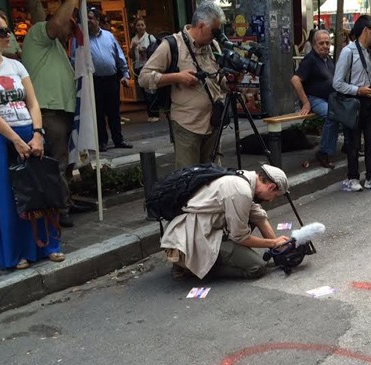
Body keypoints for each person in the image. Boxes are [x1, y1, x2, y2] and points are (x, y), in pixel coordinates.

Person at [0, 7, 65, 270]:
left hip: (28, 132)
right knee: (6, 196)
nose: (9, 35)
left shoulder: (16, 65)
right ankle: (15, 253)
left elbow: (33, 102)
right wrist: (14, 140)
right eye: (3, 31)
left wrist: (37, 134)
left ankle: (47, 245)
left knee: (40, 189)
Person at [161, 166, 290, 280]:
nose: (272, 200)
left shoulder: (244, 177)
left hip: (188, 234)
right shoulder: (241, 191)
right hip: (188, 242)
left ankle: (188, 263)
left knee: (248, 218)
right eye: (275, 195)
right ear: (271, 186)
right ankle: (191, 269)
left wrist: (278, 249)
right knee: (257, 267)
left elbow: (258, 216)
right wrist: (274, 242)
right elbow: (240, 237)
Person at [139, 2, 227, 169]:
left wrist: (230, 81)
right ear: (201, 26)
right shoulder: (172, 45)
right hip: (187, 126)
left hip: (213, 122)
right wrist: (178, 77)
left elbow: (218, 80)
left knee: (214, 177)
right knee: (188, 178)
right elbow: (143, 78)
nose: (215, 36)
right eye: (213, 31)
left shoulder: (213, 46)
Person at [21, 0, 78, 228]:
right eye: (69, 25)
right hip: (49, 111)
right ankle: (60, 208)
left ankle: (65, 201)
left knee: (65, 161)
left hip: (62, 111)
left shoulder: (55, 48)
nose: (70, 30)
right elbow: (57, 24)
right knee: (58, 162)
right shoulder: (38, 34)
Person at [333, 15, 371, 192]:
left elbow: (369, 74)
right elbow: (337, 83)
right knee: (353, 144)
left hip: (370, 101)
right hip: (353, 102)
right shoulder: (348, 52)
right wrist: (358, 90)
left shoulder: (370, 50)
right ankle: (353, 177)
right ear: (365, 30)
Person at [84, 7, 132, 152]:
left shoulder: (109, 36)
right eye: (86, 18)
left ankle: (118, 139)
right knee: (98, 112)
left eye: (90, 18)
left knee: (114, 111)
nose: (88, 21)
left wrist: (125, 74)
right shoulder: (82, 40)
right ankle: (102, 141)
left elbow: (119, 56)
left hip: (111, 79)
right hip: (94, 80)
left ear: (97, 20)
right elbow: (75, 60)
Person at [290, 29, 338, 169]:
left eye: (327, 43)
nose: (325, 46)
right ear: (314, 44)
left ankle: (347, 147)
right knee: (331, 114)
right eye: (321, 43)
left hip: (329, 98)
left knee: (347, 111)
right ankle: (324, 152)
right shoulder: (310, 59)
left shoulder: (328, 59)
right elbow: (295, 79)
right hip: (314, 98)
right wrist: (305, 102)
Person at [130, 18, 159, 123]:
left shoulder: (150, 38)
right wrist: (133, 48)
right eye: (138, 25)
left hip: (149, 66)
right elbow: (131, 56)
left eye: (142, 25)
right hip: (139, 67)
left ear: (145, 26)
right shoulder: (134, 40)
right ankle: (150, 113)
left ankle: (155, 113)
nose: (141, 27)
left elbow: (157, 52)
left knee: (151, 90)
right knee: (144, 91)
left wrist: (146, 51)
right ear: (135, 27)